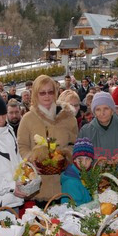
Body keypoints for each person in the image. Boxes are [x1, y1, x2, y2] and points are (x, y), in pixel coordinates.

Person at [17, 75, 78, 203]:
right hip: (39, 187)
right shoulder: (27, 119)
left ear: (55, 93)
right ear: (35, 94)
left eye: (50, 92)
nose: (47, 96)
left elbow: (75, 143)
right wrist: (32, 159)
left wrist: (66, 155)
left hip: (65, 183)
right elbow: (22, 146)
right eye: (42, 92)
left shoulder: (68, 117)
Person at [78, 92, 118, 171]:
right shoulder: (86, 131)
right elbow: (79, 155)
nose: (102, 113)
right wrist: (95, 160)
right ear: (94, 113)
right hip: (93, 177)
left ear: (112, 110)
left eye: (106, 108)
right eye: (98, 109)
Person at [60, 138, 94, 206]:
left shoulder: (90, 174)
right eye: (80, 159)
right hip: (74, 214)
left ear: (92, 160)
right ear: (74, 159)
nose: (84, 163)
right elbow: (76, 207)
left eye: (87, 159)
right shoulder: (71, 182)